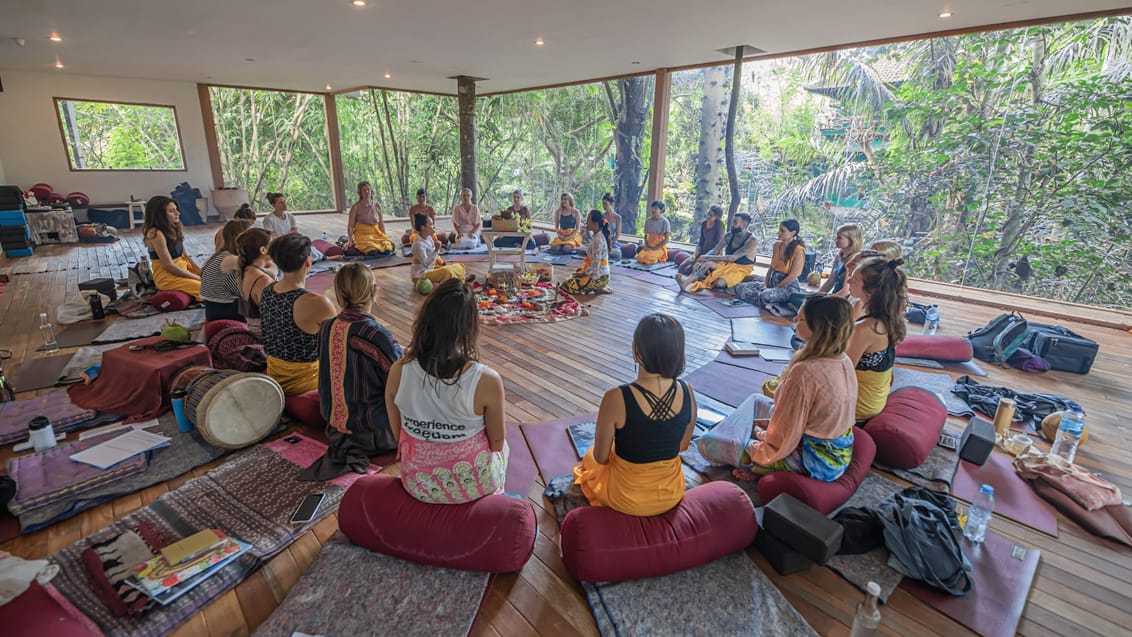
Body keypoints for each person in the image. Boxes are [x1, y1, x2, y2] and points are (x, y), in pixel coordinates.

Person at [699, 295, 858, 482]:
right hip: (838, 452)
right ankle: (738, 435)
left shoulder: (806, 372)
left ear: (818, 328)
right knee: (756, 400)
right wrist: (768, 425)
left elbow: (783, 439)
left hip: (815, 461)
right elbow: (801, 420)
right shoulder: (843, 359)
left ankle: (763, 469)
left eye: (800, 319)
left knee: (707, 444)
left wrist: (759, 434)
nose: (794, 321)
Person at [386, 280, 509, 504]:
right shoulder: (487, 380)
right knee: (506, 448)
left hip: (417, 484)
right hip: (474, 487)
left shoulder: (399, 371)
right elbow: (497, 444)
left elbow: (399, 435)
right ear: (471, 327)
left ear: (425, 320)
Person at [574, 314, 696, 516]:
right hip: (671, 493)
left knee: (590, 457)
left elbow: (601, 457)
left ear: (637, 352)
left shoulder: (616, 397)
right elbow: (682, 446)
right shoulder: (687, 391)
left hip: (627, 498)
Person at [300, 263, 403, 481]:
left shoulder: (326, 327)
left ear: (338, 293)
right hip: (376, 436)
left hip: (334, 431)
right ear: (373, 292)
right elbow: (403, 383)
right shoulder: (375, 335)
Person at [260, 233, 337, 395]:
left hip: (274, 372)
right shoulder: (317, 302)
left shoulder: (267, 291)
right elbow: (339, 344)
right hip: (306, 381)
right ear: (308, 261)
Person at [846, 257, 908, 422]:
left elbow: (842, 369)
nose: (848, 280)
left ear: (871, 290)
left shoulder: (866, 328)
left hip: (860, 404)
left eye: (855, 279)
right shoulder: (887, 314)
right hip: (875, 398)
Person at [677, 212, 758, 293]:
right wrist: (702, 259)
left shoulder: (752, 241)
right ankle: (685, 283)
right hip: (726, 265)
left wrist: (707, 257)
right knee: (707, 264)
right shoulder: (729, 235)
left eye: (735, 222)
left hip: (742, 269)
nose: (731, 225)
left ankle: (741, 281)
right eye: (732, 221)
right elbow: (715, 250)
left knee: (718, 283)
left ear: (744, 225)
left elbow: (732, 258)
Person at [734, 219, 805, 308]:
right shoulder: (777, 246)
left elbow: (792, 276)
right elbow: (771, 268)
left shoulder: (799, 250)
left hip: (787, 288)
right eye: (779, 230)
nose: (779, 233)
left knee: (765, 295)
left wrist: (774, 288)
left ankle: (764, 300)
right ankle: (764, 302)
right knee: (740, 287)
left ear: (793, 233)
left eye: (782, 231)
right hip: (771, 284)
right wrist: (765, 284)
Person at [143, 196, 202, 300]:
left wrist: (201, 273)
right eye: (172, 211)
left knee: (215, 280)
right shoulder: (156, 233)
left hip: (182, 268)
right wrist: (197, 278)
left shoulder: (174, 227)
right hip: (167, 277)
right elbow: (168, 266)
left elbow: (185, 256)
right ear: (160, 215)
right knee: (209, 289)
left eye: (176, 210)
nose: (178, 213)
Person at [200, 219, 252, 322]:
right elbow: (245, 291)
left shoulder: (221, 255)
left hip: (213, 310)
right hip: (224, 310)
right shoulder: (231, 259)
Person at [561, 210, 612, 295]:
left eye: (588, 220)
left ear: (595, 224)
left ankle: (599, 287)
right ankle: (599, 286)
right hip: (598, 273)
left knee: (568, 285)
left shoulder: (598, 240)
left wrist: (585, 274)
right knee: (572, 278)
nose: (586, 222)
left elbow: (596, 262)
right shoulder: (597, 235)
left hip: (599, 276)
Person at [411, 214, 471, 285]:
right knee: (446, 272)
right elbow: (426, 264)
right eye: (431, 224)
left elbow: (435, 256)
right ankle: (457, 280)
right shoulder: (418, 244)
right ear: (422, 227)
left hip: (432, 270)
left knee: (459, 265)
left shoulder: (429, 238)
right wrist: (436, 250)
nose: (434, 227)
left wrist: (442, 262)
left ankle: (456, 280)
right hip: (421, 275)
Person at [237, 228, 276, 337]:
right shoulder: (263, 280)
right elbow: (274, 315)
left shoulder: (245, 270)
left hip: (253, 330)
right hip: (266, 337)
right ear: (263, 250)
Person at [346, 181, 395, 256]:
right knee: (373, 252)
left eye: (368, 189)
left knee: (387, 250)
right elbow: (350, 226)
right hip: (362, 235)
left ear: (371, 191)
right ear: (360, 193)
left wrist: (384, 236)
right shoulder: (355, 207)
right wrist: (350, 240)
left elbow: (381, 224)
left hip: (376, 233)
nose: (367, 192)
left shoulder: (377, 206)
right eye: (364, 190)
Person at [818, 223, 864, 297]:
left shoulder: (854, 259)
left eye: (839, 238)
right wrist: (816, 296)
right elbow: (830, 281)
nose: (836, 240)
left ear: (851, 240)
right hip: (834, 295)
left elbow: (846, 291)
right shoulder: (838, 256)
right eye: (836, 237)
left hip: (842, 300)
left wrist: (825, 300)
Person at [678, 205, 725, 276]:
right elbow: (701, 241)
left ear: (717, 217)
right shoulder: (704, 223)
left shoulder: (719, 225)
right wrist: (694, 254)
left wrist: (715, 258)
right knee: (682, 266)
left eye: (711, 215)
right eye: (708, 214)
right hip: (702, 252)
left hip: (712, 254)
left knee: (695, 269)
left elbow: (719, 244)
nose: (708, 216)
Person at [636, 201, 671, 265]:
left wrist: (655, 248)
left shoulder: (665, 222)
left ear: (661, 210)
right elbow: (646, 236)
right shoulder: (648, 220)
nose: (653, 210)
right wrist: (646, 245)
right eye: (652, 208)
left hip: (659, 247)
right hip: (649, 245)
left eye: (656, 209)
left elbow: (666, 240)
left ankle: (659, 257)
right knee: (639, 257)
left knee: (649, 258)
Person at [600, 193, 623, 260]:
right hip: (602, 240)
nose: (604, 206)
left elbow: (617, 234)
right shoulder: (601, 216)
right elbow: (599, 231)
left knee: (617, 254)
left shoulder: (618, 218)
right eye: (603, 204)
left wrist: (610, 244)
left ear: (612, 204)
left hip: (612, 241)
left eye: (605, 204)